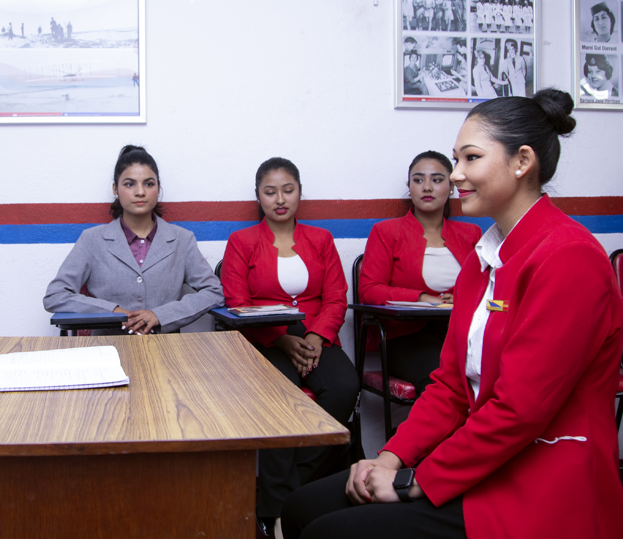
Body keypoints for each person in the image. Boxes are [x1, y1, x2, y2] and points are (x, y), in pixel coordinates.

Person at [281, 89, 623, 539]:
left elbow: (519, 412)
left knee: (330, 532)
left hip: (538, 478)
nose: (456, 174)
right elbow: (450, 386)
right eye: (457, 160)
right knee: (302, 507)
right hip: (482, 458)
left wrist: (414, 481)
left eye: (471, 158)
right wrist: (390, 459)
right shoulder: (485, 258)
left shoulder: (569, 257)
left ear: (522, 162)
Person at [221, 158, 360, 537]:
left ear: (300, 192)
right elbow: (236, 302)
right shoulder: (242, 242)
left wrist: (315, 337)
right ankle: (275, 511)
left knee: (344, 387)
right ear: (258, 196)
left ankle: (295, 488)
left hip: (316, 334)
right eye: (270, 192)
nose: (280, 199)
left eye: (288, 190)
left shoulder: (321, 239)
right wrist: (281, 339)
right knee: (278, 397)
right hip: (264, 336)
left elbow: (336, 297)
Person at [43, 145, 223, 335]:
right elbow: (55, 295)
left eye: (149, 184)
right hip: (108, 347)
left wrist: (161, 315)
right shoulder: (92, 240)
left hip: (166, 347)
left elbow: (214, 292)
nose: (140, 192)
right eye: (129, 184)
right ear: (115, 189)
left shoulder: (182, 239)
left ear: (158, 188)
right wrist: (113, 311)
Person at [358, 151, 481, 395]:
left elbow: (486, 287)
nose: (427, 187)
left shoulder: (471, 234)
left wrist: (460, 296)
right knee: (445, 384)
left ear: (452, 187)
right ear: (409, 187)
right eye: (418, 180)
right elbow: (369, 290)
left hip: (463, 334)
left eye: (437, 180)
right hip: (407, 338)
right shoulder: (386, 232)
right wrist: (423, 298)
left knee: (501, 375)